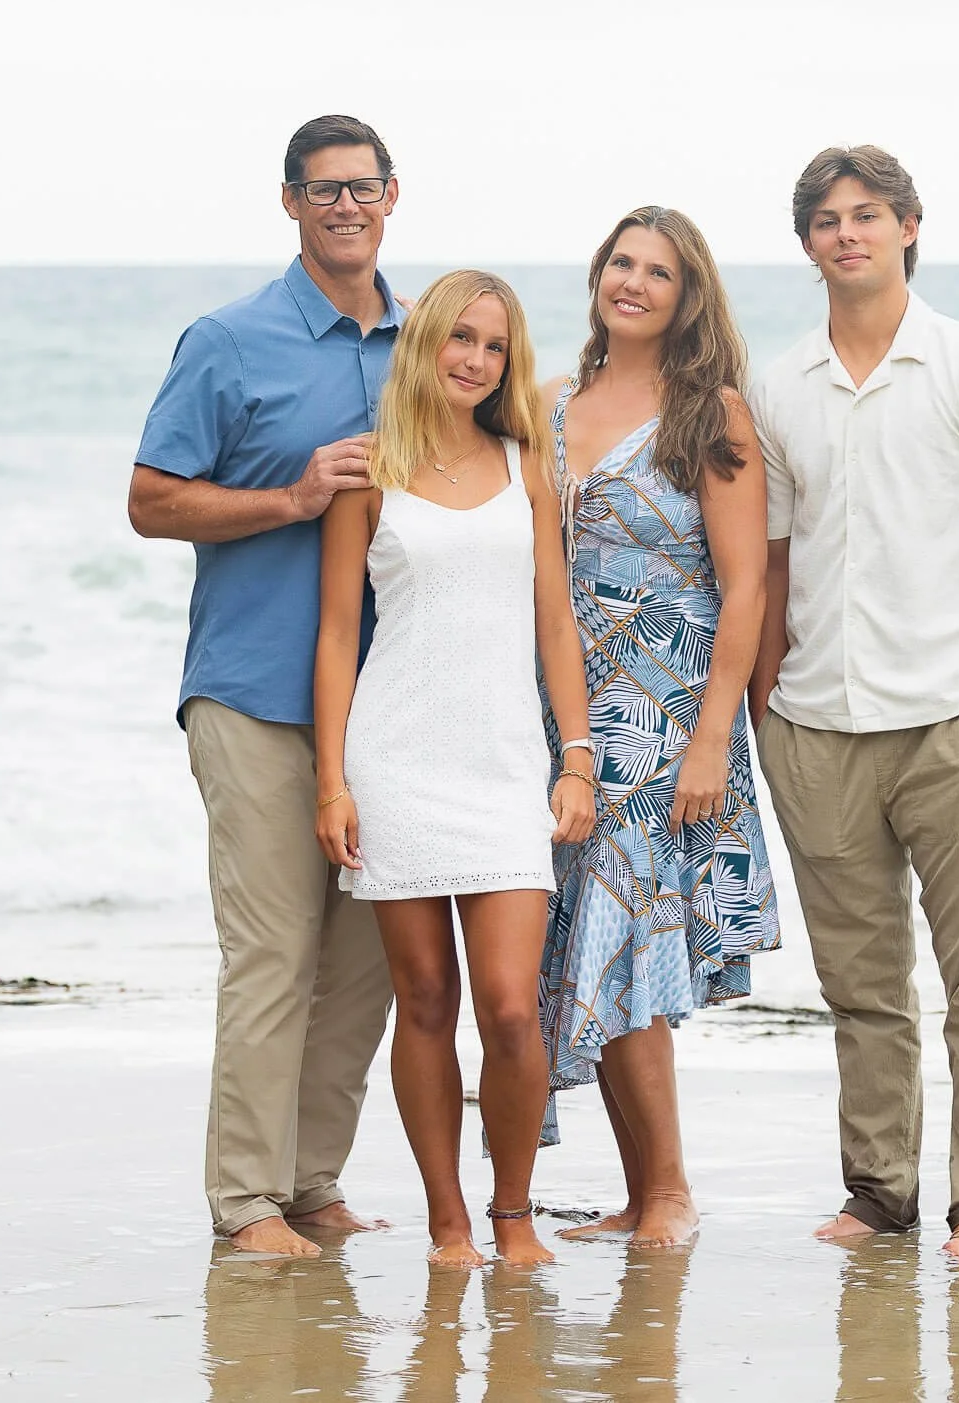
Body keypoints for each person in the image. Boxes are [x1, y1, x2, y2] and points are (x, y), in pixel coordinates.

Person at [746, 145, 959, 1267]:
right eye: (826, 220)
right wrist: (763, 713)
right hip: (815, 724)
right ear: (807, 245)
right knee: (861, 985)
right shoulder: (779, 385)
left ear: (910, 226)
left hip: (949, 721)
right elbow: (770, 567)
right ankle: (879, 1192)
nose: (846, 234)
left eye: (866, 214)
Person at [126, 115, 403, 1259]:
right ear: (289, 203)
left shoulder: (432, 341)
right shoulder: (227, 342)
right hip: (250, 693)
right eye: (322, 189)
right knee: (276, 952)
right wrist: (290, 498)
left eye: (364, 186)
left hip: (390, 705)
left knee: (367, 964)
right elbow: (150, 499)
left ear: (394, 196)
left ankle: (310, 1178)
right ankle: (245, 1200)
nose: (345, 205)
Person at [312, 269, 598, 1269]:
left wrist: (576, 755)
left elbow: (555, 621)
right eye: (459, 338)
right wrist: (333, 782)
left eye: (494, 344)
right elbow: (339, 632)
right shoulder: (370, 469)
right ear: (425, 341)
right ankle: (447, 1221)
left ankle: (513, 1211)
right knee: (425, 1001)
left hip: (505, 759)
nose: (475, 359)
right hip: (394, 758)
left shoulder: (527, 464)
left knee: (511, 1005)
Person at [538, 205, 778, 1249]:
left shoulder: (709, 411)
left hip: (665, 706)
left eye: (659, 272)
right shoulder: (547, 403)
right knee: (590, 935)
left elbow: (747, 583)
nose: (633, 282)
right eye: (621, 263)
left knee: (627, 924)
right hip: (564, 712)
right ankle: (640, 1191)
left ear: (687, 299)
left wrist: (714, 736)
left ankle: (669, 1189)